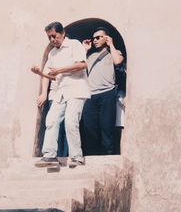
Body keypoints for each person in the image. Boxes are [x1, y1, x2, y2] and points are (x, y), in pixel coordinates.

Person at [31, 21, 91, 168]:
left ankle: (77, 158)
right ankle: (50, 156)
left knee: (71, 122)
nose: (52, 40)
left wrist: (59, 70)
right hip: (61, 92)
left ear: (62, 33)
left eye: (54, 36)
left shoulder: (74, 45)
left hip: (76, 90)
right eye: (49, 38)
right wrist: (40, 73)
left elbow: (82, 65)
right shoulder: (53, 53)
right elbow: (54, 76)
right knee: (51, 121)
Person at [81, 27, 124, 155]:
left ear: (106, 38)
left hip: (107, 94)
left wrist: (111, 44)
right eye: (94, 38)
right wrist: (85, 50)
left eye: (98, 37)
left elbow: (118, 61)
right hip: (90, 95)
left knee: (107, 128)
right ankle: (91, 157)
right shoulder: (90, 55)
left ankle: (108, 157)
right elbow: (79, 68)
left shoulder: (114, 53)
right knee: (89, 128)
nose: (95, 40)